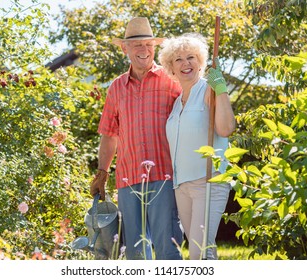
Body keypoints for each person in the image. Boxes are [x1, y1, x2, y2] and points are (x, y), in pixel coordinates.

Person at [90, 17, 183, 260]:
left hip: (164, 176)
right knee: (135, 253)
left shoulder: (172, 81)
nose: (144, 50)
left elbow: (192, 116)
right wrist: (102, 172)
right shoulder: (117, 87)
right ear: (125, 48)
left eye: (149, 44)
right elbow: (110, 134)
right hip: (128, 178)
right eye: (137, 45)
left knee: (167, 247)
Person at [158, 33, 236, 260]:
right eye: (179, 59)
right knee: (202, 250)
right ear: (171, 66)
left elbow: (226, 128)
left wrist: (220, 89)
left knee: (198, 252)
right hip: (182, 185)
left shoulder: (207, 90)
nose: (186, 63)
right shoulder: (177, 102)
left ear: (200, 62)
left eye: (191, 57)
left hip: (208, 180)